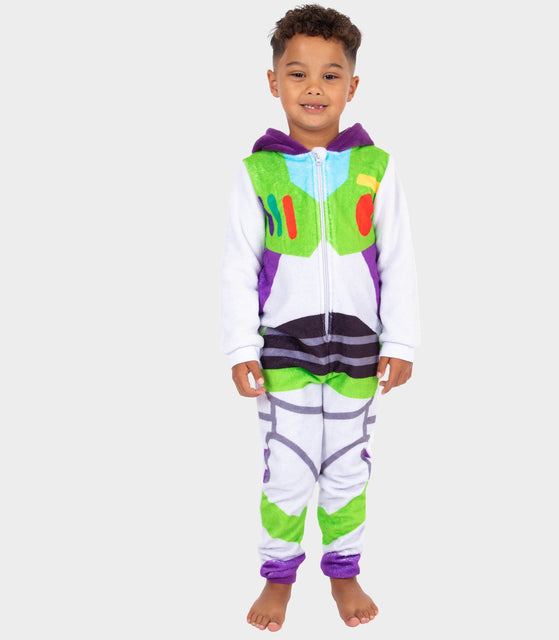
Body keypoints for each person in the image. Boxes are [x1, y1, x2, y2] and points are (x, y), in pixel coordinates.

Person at [221, 4, 420, 631]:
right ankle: (277, 575)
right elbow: (238, 265)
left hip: (359, 350)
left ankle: (344, 572)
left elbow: (398, 257)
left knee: (348, 467)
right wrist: (240, 349)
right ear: (273, 81)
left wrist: (402, 340)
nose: (314, 87)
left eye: (331, 75)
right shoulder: (258, 172)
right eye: (298, 73)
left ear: (352, 86)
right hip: (284, 348)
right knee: (287, 467)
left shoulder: (375, 167)